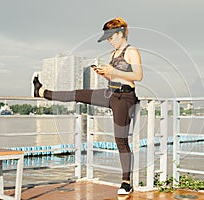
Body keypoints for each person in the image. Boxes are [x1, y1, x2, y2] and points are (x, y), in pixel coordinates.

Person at [32, 17, 143, 195]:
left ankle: (126, 182)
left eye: (111, 37)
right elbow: (114, 77)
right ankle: (42, 92)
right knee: (77, 94)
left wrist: (113, 71)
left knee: (120, 140)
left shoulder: (131, 51)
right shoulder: (113, 54)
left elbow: (138, 75)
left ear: (120, 34)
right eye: (107, 38)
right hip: (110, 93)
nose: (109, 41)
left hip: (125, 97)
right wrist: (104, 74)